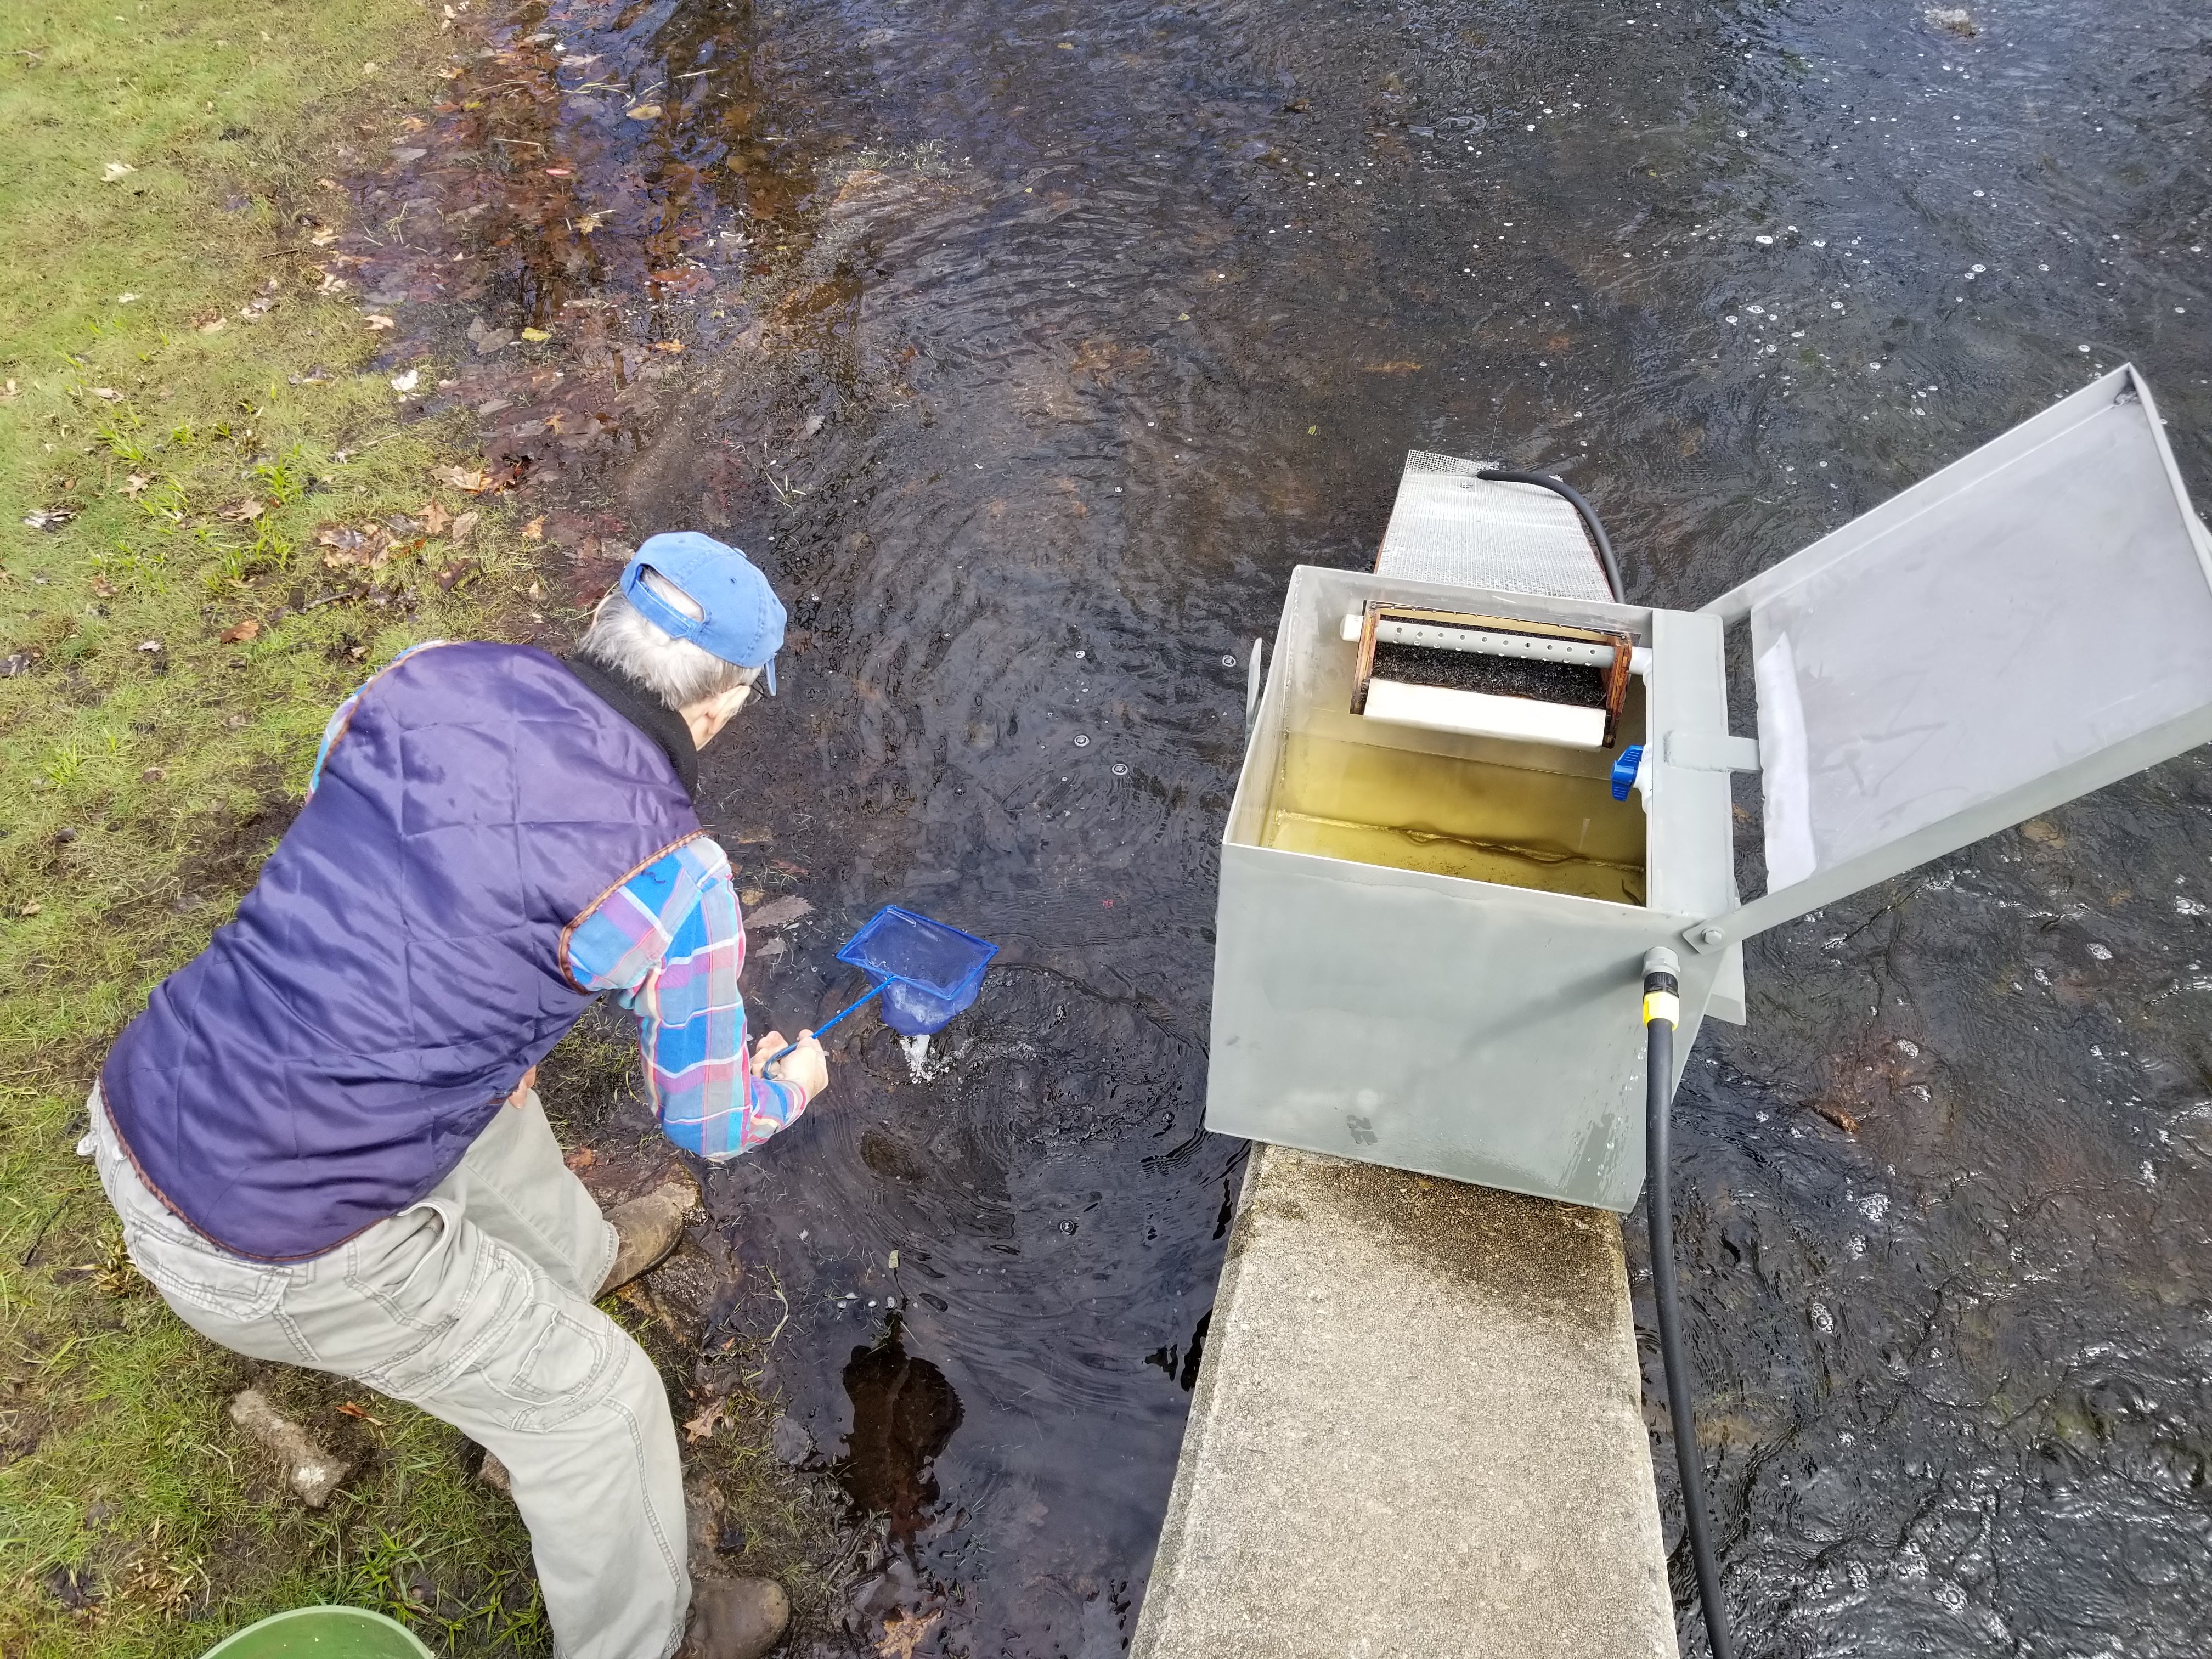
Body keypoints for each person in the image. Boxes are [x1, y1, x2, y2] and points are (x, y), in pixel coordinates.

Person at [83, 533, 827, 1659]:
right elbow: (708, 1122)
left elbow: (366, 827)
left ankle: (572, 1267)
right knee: (601, 1406)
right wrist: (788, 1086)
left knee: (502, 1100)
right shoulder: (675, 876)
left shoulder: (422, 674)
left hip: (149, 1093)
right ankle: (661, 1635)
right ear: (719, 708)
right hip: (260, 1244)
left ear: (600, 612)